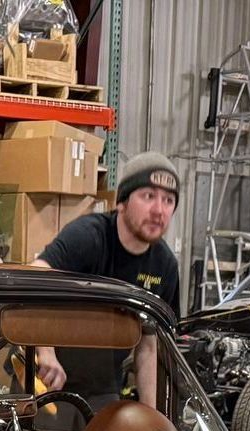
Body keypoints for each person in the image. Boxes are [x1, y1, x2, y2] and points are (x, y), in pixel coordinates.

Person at [32, 151, 181, 412]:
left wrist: (153, 420)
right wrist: (45, 353)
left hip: (103, 388)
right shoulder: (90, 237)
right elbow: (37, 273)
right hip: (47, 383)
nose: (159, 210)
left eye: (168, 201)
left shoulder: (164, 266)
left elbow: (148, 346)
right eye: (148, 196)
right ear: (122, 202)